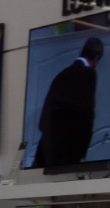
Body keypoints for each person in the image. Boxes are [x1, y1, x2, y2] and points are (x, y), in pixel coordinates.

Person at [32, 37, 104, 169]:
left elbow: (43, 122)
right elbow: (87, 115)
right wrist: (82, 154)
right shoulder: (88, 73)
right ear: (97, 58)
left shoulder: (62, 74)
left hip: (45, 149)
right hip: (67, 153)